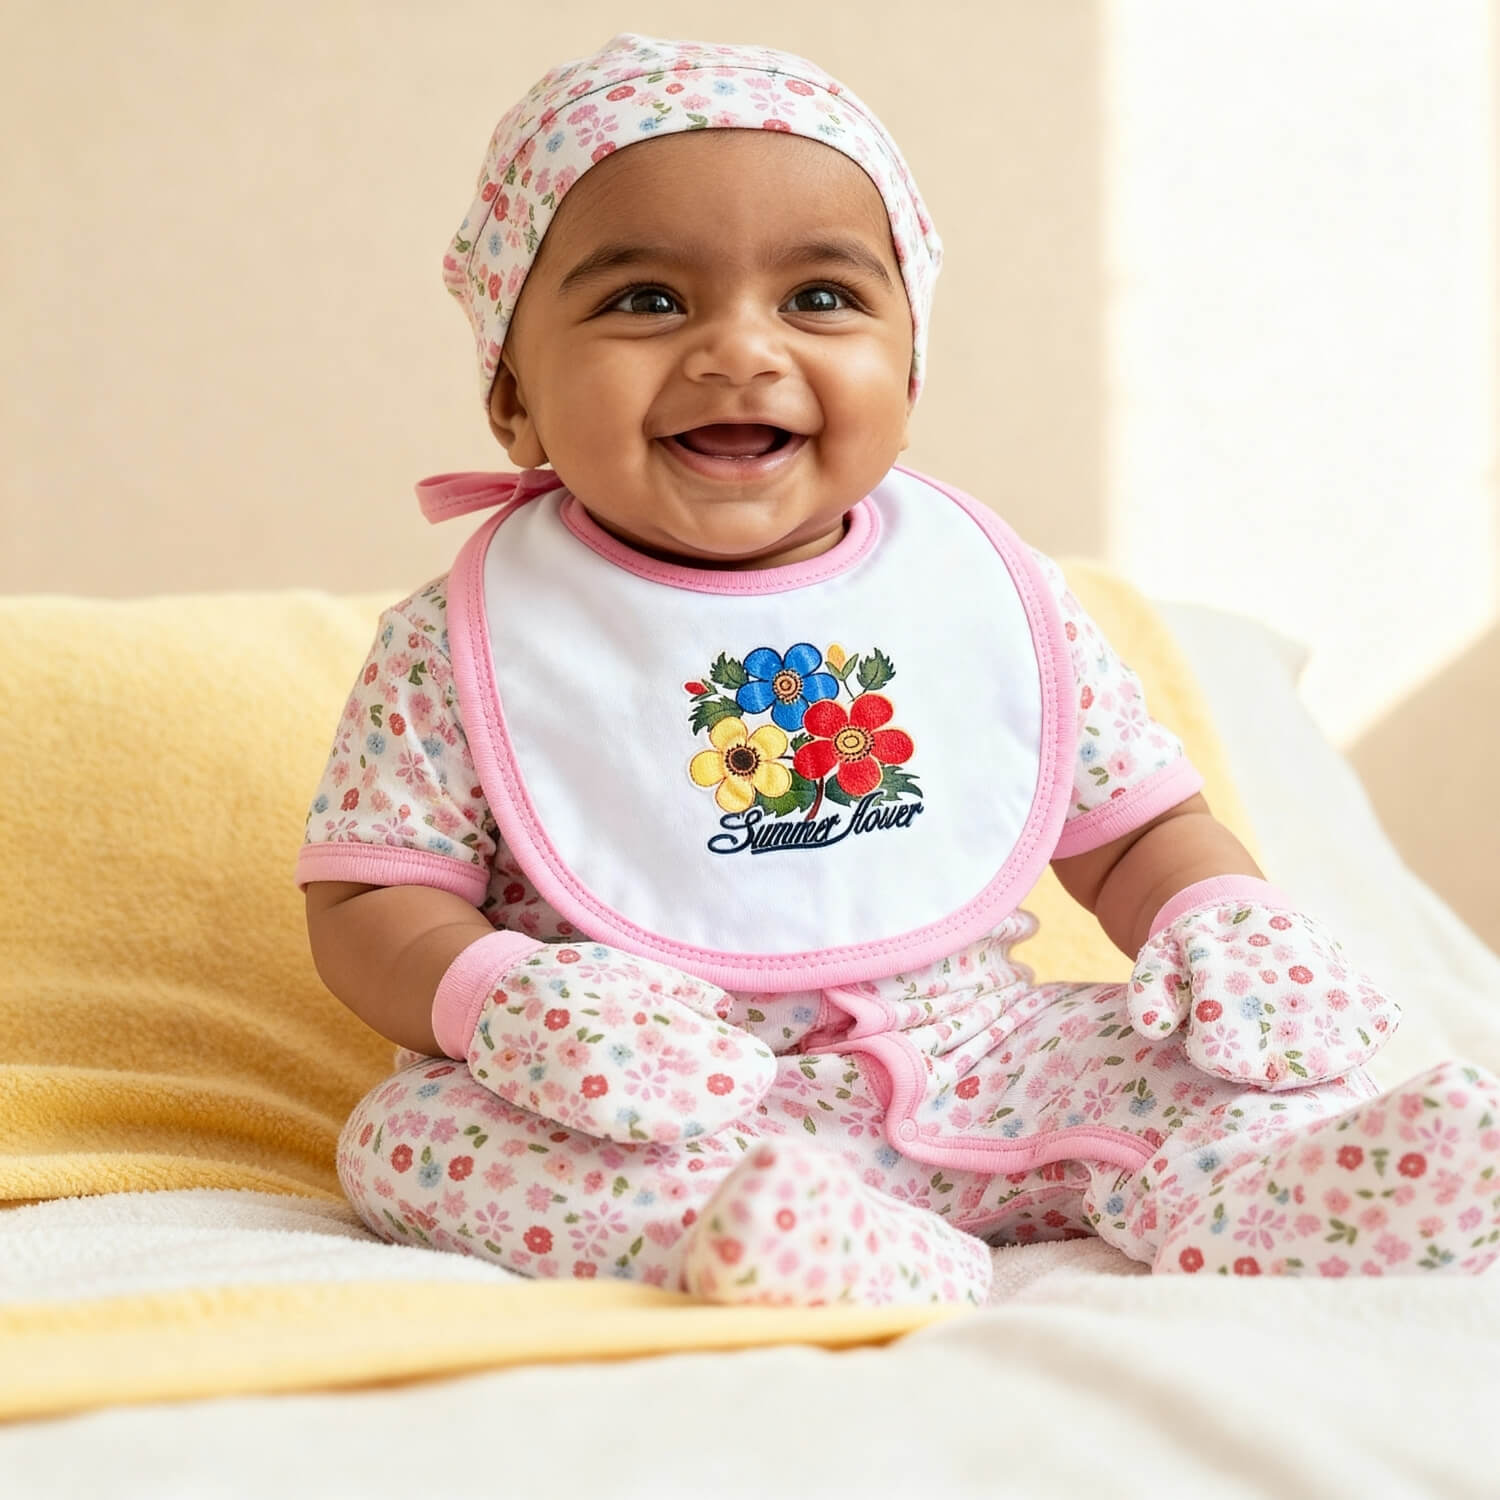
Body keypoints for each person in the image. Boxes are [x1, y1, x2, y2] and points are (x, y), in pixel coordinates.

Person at [299, 32, 1500, 1304]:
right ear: (513, 395)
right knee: (413, 1142)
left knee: (1229, 1051)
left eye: (819, 298)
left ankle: (1288, 1186)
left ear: (909, 366)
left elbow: (1137, 829)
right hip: (664, 1096)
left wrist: (1219, 921)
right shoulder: (454, 643)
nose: (739, 351)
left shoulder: (982, 589)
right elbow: (371, 904)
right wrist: (500, 1001)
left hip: (989, 1055)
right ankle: (793, 1240)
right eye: (646, 300)